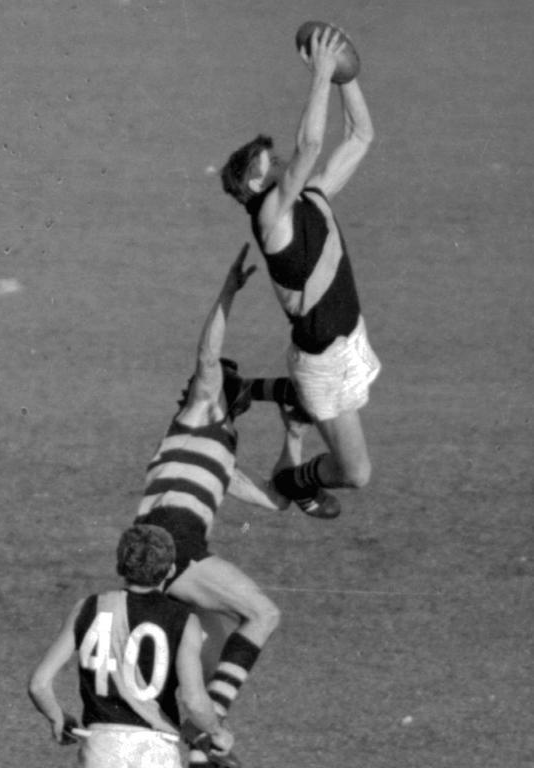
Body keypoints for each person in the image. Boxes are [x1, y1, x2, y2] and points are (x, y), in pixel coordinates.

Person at [133, 243, 292, 768]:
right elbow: (206, 355)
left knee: (199, 669)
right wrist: (227, 291)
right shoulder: (198, 413)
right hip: (172, 545)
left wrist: (297, 438)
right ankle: (211, 734)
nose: (215, 384)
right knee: (263, 615)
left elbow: (278, 501)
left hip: (159, 549)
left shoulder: (220, 454)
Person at [220, 24, 382, 519]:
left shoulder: (313, 195)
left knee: (343, 427)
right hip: (324, 361)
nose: (287, 159)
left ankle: (260, 391)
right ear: (256, 180)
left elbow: (361, 135)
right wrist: (321, 72)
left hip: (350, 338)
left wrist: (344, 78)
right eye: (274, 162)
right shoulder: (269, 219)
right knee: (356, 473)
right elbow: (311, 145)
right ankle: (293, 479)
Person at [27, 523, 234, 768]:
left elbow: (38, 683)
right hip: (154, 754)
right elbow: (196, 702)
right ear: (169, 570)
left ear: (120, 565)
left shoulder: (88, 607)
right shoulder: (183, 620)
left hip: (100, 750)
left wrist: (57, 716)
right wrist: (217, 733)